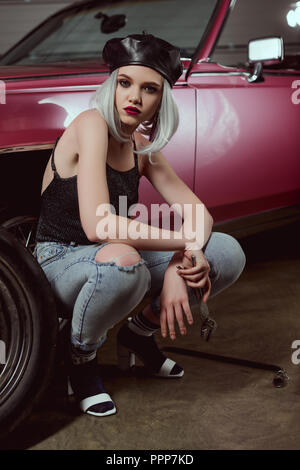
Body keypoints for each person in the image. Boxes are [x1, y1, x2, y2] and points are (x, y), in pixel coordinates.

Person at [34, 33, 246, 417]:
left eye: (149, 89)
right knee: (124, 261)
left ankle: (138, 334)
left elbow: (200, 215)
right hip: (59, 259)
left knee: (226, 252)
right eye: (125, 83)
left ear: (161, 100)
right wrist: (183, 244)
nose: (135, 97)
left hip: (114, 255)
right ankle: (79, 356)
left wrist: (184, 263)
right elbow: (99, 224)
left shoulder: (141, 149)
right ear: (111, 86)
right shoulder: (90, 124)